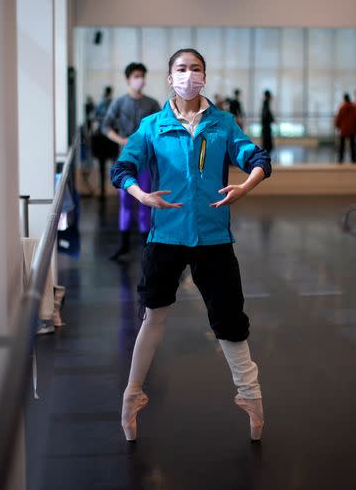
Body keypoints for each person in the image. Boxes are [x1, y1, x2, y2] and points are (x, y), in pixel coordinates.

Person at [111, 48, 272, 442]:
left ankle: (251, 396)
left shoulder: (223, 123)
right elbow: (122, 168)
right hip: (165, 237)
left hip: (214, 237)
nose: (188, 75)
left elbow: (258, 158)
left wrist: (245, 186)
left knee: (230, 320)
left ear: (205, 74)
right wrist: (142, 196)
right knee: (154, 315)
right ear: (169, 77)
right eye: (181, 69)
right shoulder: (152, 126)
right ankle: (132, 395)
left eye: (195, 68)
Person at [102, 63, 161, 260]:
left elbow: (160, 129)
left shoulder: (152, 104)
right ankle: (124, 244)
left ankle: (147, 246)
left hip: (145, 161)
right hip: (125, 160)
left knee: (145, 201)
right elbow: (105, 126)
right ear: (128, 79)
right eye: (136, 75)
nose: (140, 79)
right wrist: (121, 140)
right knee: (126, 202)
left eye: (142, 75)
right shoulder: (118, 103)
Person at [92, 86, 115, 198]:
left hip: (100, 138)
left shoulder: (100, 104)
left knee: (102, 166)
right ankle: (119, 190)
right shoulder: (112, 104)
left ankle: (102, 192)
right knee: (116, 165)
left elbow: (95, 120)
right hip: (111, 137)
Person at [335, 93, 356, 163]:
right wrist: (355, 127)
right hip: (352, 129)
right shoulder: (353, 107)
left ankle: (340, 159)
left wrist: (338, 126)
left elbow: (338, 118)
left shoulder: (342, 107)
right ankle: (354, 159)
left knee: (342, 146)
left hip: (343, 129)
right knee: (352, 146)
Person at [260, 89, 275, 154]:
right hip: (266, 125)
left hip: (265, 125)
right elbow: (266, 114)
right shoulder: (266, 103)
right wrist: (271, 119)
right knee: (267, 141)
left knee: (266, 140)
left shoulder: (266, 103)